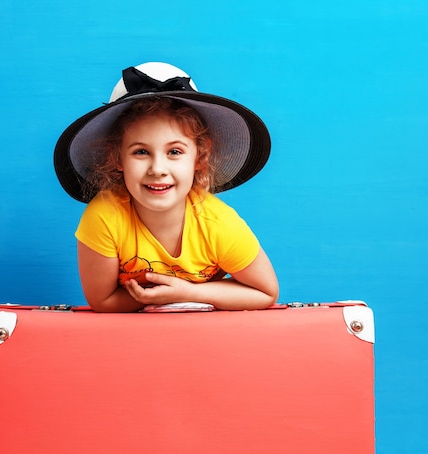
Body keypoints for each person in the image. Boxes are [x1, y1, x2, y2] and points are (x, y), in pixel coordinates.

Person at [54, 62, 279, 312]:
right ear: (118, 158)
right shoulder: (105, 217)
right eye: (141, 152)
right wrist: (157, 299)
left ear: (200, 158)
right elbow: (102, 300)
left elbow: (265, 291)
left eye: (174, 151)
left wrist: (190, 293)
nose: (158, 169)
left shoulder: (218, 224)